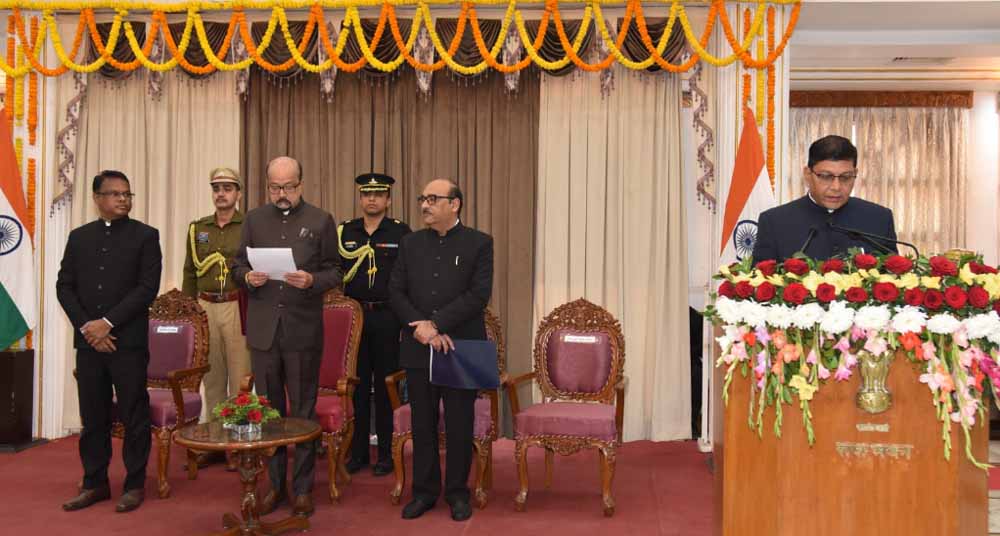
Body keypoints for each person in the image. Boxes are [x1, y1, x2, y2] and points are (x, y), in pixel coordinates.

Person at [231, 156, 341, 518]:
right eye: (276, 187)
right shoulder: (253, 219)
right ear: (267, 187)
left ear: (301, 185)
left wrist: (312, 280)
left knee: (303, 413)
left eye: (289, 187)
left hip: (302, 331)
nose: (282, 193)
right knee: (269, 414)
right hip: (264, 331)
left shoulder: (321, 220)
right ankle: (276, 486)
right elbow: (236, 266)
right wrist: (247, 278)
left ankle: (303, 488)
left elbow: (335, 271)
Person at [56, 170, 162, 513]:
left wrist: (107, 323)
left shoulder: (146, 236)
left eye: (127, 194)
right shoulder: (79, 238)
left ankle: (134, 484)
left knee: (134, 415)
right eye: (115, 194)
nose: (123, 199)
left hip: (126, 343)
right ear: (97, 198)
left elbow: (146, 289)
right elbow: (64, 286)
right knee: (93, 417)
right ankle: (95, 483)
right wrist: (88, 328)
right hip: (89, 344)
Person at [389, 178, 493, 522]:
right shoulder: (410, 243)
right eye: (423, 198)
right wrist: (421, 329)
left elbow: (478, 295)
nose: (425, 205)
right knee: (423, 424)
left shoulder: (480, 243)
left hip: (460, 347)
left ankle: (458, 493)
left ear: (455, 204)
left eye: (433, 199)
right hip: (419, 347)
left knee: (460, 424)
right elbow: (396, 292)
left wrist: (436, 324)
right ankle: (424, 492)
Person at [339, 173, 411, 477]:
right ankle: (357, 453)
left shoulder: (400, 232)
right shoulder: (345, 232)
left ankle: (385, 453)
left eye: (378, 194)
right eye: (367, 194)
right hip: (354, 317)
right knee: (355, 386)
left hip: (387, 316)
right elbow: (336, 273)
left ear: (388, 200)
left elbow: (408, 278)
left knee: (385, 386)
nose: (372, 199)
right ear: (360, 199)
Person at [181, 167, 250, 469]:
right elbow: (190, 271)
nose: (221, 193)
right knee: (212, 379)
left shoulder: (249, 226)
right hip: (205, 306)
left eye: (227, 188)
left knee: (240, 377)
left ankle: (238, 445)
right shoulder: (198, 228)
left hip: (236, 305)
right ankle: (216, 442)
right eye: (216, 188)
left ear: (238, 193)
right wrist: (189, 313)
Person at [751, 135, 898, 262]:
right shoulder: (775, 222)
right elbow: (760, 281)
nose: (836, 187)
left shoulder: (879, 219)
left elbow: (894, 278)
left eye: (846, 177)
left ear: (855, 173)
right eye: (826, 176)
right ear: (808, 174)